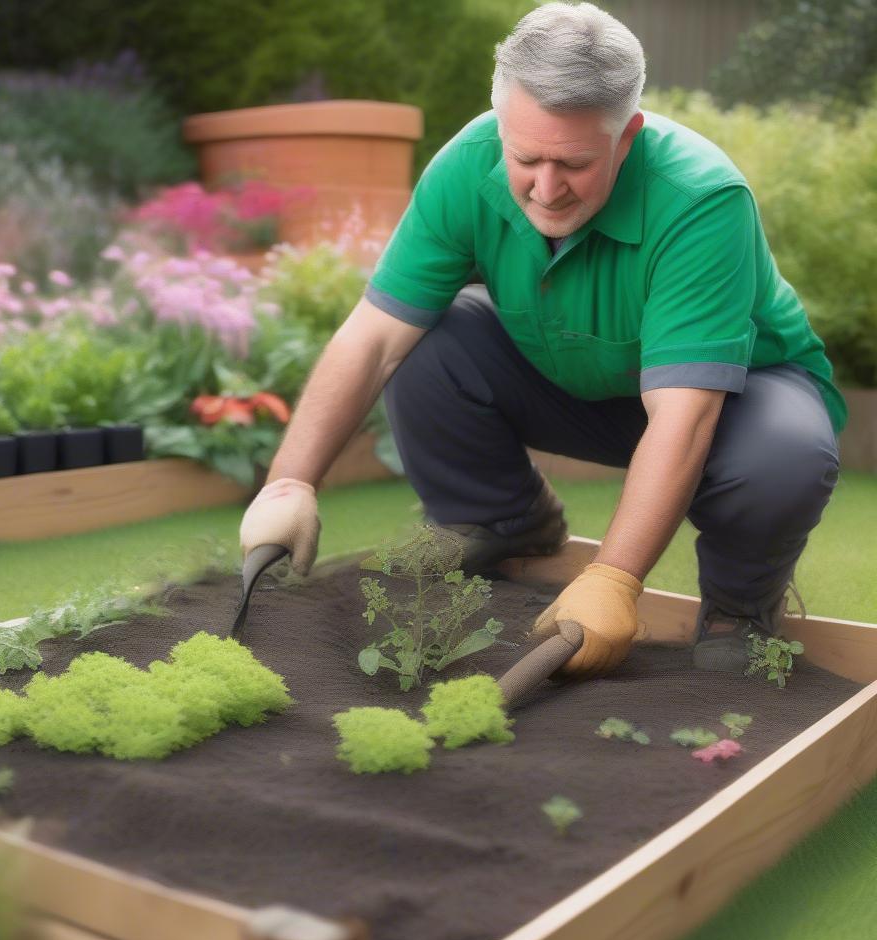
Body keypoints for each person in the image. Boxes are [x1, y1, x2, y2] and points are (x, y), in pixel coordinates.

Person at [238, 1, 844, 678]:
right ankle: (500, 519)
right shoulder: (465, 165)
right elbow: (373, 337)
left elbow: (685, 416)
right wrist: (289, 483)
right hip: (578, 377)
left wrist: (614, 578)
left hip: (731, 402)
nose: (547, 189)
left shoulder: (700, 199)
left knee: (787, 458)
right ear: (501, 125)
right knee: (428, 337)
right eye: (526, 158)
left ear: (627, 135)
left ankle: (739, 608)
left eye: (575, 164)